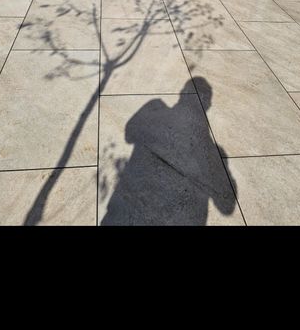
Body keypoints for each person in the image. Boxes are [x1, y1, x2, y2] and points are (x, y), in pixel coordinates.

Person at [100, 77, 237, 226]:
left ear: (182, 93)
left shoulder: (154, 107)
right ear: (207, 104)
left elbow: (129, 135)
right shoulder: (211, 150)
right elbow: (226, 207)